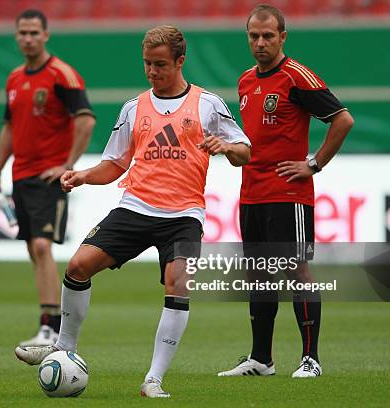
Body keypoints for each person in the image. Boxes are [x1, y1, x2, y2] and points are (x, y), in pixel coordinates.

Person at [15, 25, 251, 397]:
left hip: (184, 215)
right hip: (136, 207)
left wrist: (226, 147)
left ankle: (153, 379)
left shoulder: (208, 104)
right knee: (77, 266)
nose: (153, 72)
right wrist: (82, 176)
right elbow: (115, 164)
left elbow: (244, 151)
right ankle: (65, 347)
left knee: (179, 283)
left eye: (160, 65)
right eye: (147, 64)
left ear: (180, 61)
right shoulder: (134, 108)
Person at [217, 4, 354, 378]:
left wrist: (313, 164)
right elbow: (250, 144)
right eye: (253, 36)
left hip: (288, 193)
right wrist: (229, 150)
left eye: (268, 36)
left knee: (296, 272)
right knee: (259, 275)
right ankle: (261, 359)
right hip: (251, 192)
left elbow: (342, 119)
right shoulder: (246, 81)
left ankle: (311, 358)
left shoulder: (296, 76)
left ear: (282, 37)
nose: (260, 43)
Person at [0, 9, 96, 347]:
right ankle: (46, 320)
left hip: (49, 177)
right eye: (23, 32)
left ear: (46, 35)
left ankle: (51, 326)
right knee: (33, 251)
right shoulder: (14, 79)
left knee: (41, 245)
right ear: (16, 36)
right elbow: (9, 127)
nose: (28, 38)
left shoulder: (61, 74)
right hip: (21, 176)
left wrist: (67, 164)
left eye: (34, 32)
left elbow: (86, 120)